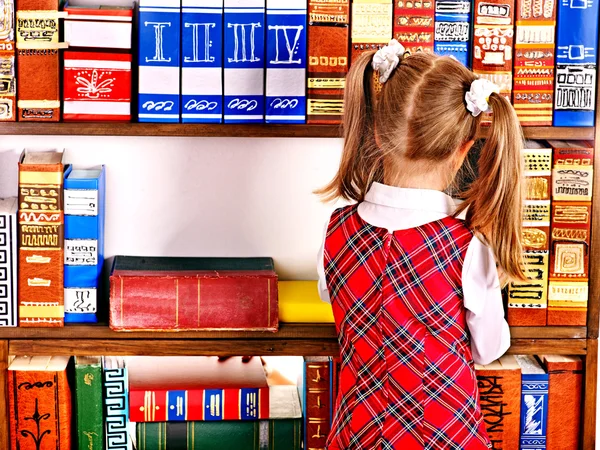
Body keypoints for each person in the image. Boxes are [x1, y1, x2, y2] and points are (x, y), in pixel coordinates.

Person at [316, 40, 525, 449]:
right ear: (463, 149)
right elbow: (486, 349)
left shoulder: (335, 228)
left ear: (376, 131)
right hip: (443, 437)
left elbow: (334, 298)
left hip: (356, 434)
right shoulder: (468, 247)